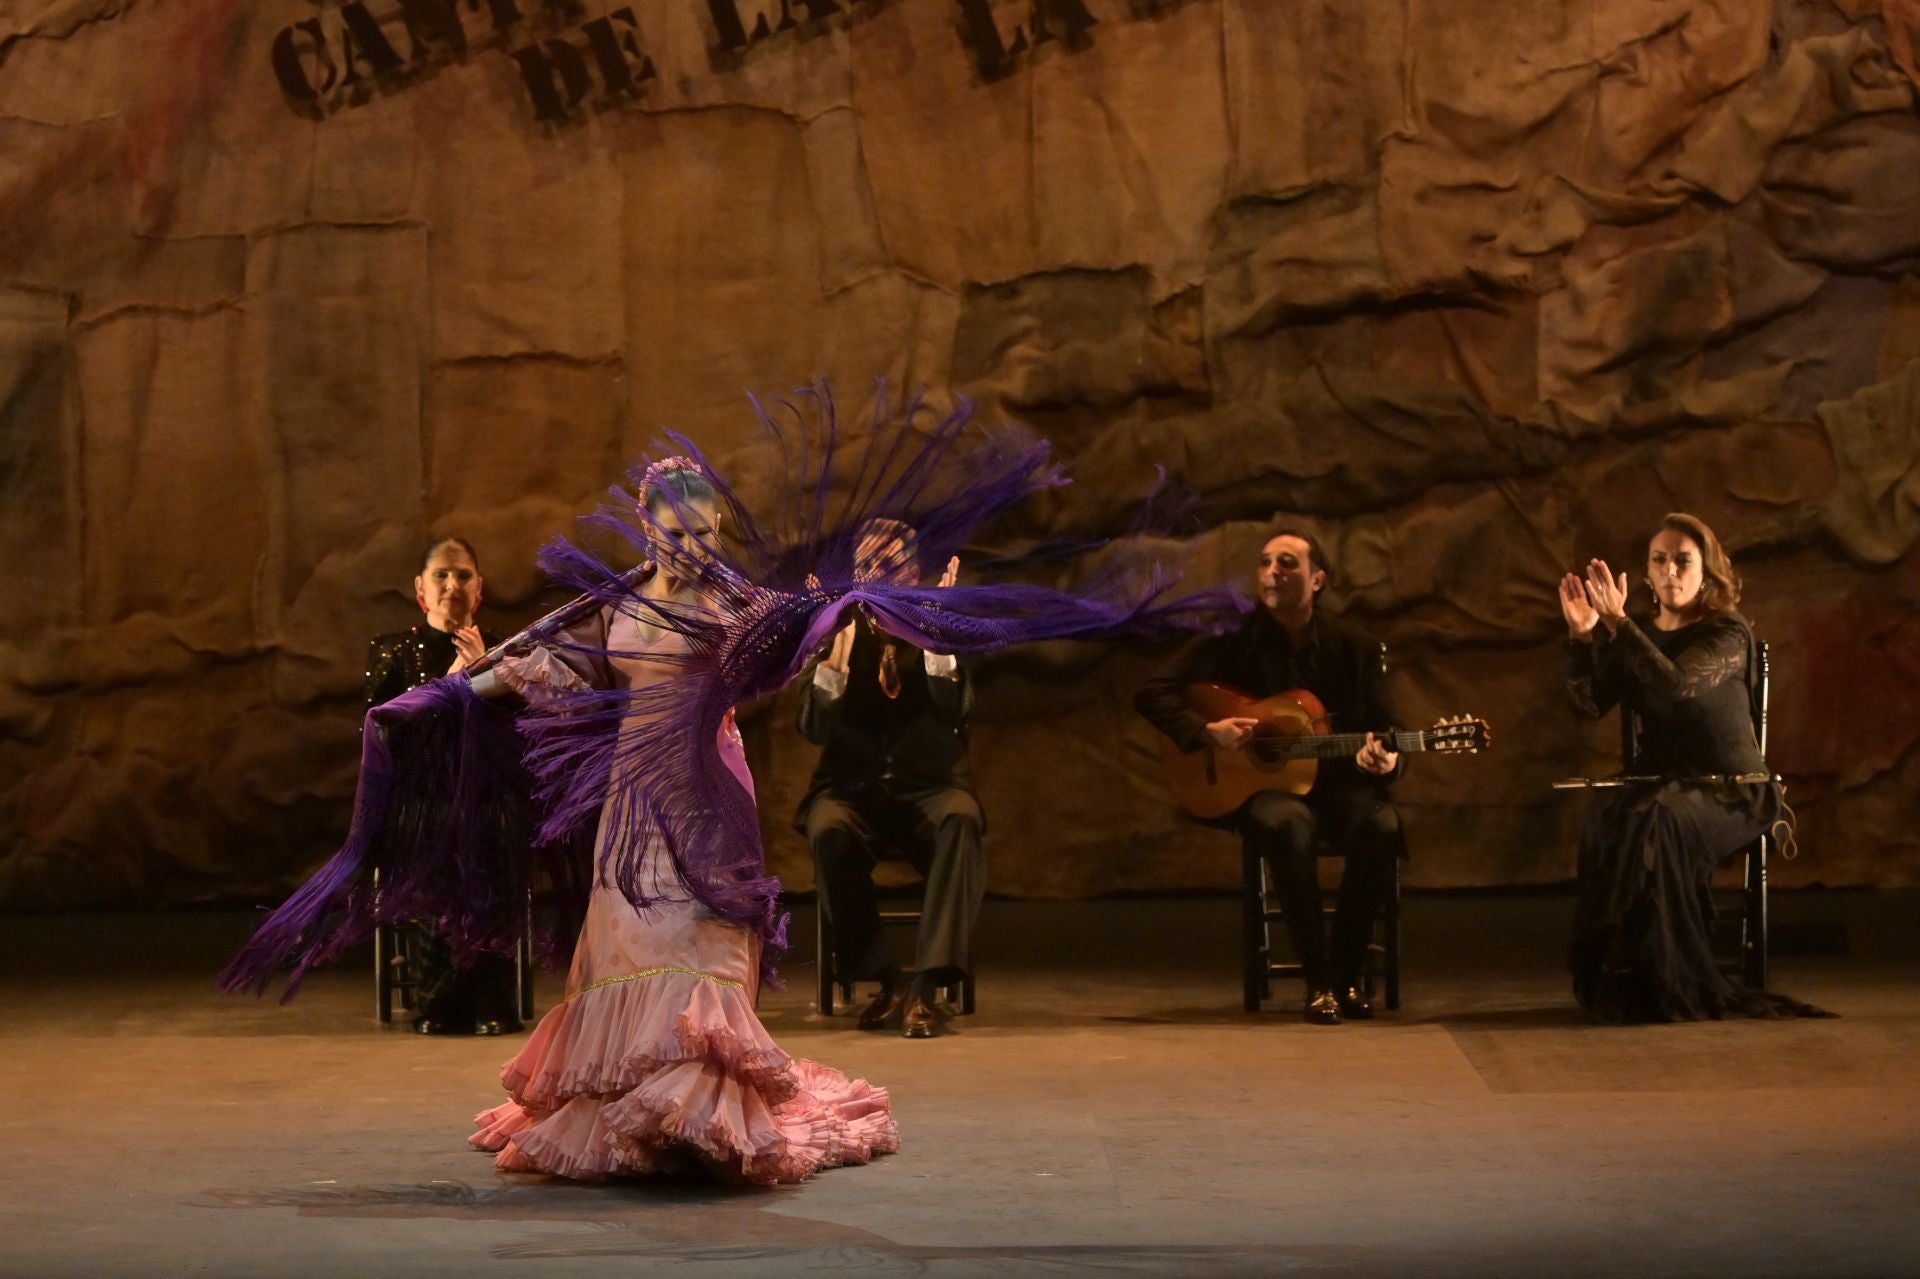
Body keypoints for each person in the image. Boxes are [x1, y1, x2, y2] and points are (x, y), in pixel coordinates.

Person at [465, 463, 899, 1182]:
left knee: (701, 944)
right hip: (635, 798)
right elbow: (548, 663)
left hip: (707, 789)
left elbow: (792, 635)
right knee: (634, 942)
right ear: (647, 530)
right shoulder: (618, 603)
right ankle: (643, 1110)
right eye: (677, 533)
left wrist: (828, 611)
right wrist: (453, 694)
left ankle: (700, 1113)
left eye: (705, 533)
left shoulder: (736, 602)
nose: (693, 546)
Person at [1559, 513, 1827, 1022]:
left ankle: (1671, 982)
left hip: (1734, 791)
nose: (1670, 572)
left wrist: (1617, 627)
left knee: (1659, 818)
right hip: (1666, 787)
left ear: (1707, 571)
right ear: (1646, 572)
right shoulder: (1635, 631)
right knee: (1607, 816)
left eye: (1683, 561)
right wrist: (1580, 638)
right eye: (1659, 561)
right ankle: (1626, 978)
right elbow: (1587, 706)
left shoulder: (1727, 632)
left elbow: (1676, 688)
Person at [1136, 529, 1403, 1024]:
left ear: (1317, 579)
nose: (1271, 573)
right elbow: (1153, 693)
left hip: (1341, 785)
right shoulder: (1233, 638)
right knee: (1287, 824)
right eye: (1264, 563)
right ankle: (1319, 982)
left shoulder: (1355, 647)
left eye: (1286, 563)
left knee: (1381, 827)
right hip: (1262, 789)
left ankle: (1345, 975)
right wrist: (1207, 731)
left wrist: (1388, 758)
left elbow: (1390, 730)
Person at [796, 520, 984, 1040]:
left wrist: (935, 641)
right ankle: (887, 981)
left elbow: (956, 711)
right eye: (867, 566)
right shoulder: (835, 624)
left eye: (889, 565)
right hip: (851, 789)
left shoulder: (940, 620)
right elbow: (813, 729)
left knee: (962, 818)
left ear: (913, 572)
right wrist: (828, 659)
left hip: (927, 787)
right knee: (829, 827)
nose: (877, 576)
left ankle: (926, 988)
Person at [365, 537, 522, 1036]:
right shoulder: (392, 651)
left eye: (463, 576)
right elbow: (386, 732)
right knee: (444, 837)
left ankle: (490, 997)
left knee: (488, 832)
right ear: (420, 589)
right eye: (441, 575)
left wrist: (485, 671)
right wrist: (454, 681)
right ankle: (442, 998)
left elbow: (516, 734)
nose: (452, 585)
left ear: (479, 590)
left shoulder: (505, 651)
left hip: (484, 797)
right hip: (421, 800)